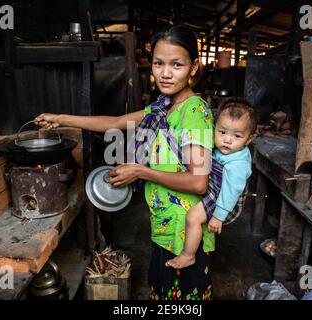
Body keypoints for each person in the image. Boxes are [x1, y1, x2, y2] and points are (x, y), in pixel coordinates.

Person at [35, 25, 216, 300]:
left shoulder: (195, 112)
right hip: (166, 227)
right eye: (159, 63)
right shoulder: (163, 106)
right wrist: (61, 118)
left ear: (194, 68)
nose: (165, 73)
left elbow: (198, 182)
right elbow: (115, 123)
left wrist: (141, 171)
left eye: (177, 64)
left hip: (185, 234)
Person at [165, 101, 257, 269]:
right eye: (222, 132)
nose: (227, 140)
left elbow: (231, 191)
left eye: (237, 136)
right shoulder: (223, 148)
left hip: (227, 201)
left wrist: (219, 216)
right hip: (217, 189)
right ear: (214, 128)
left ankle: (188, 255)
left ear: (250, 138)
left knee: (193, 217)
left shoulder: (239, 164)